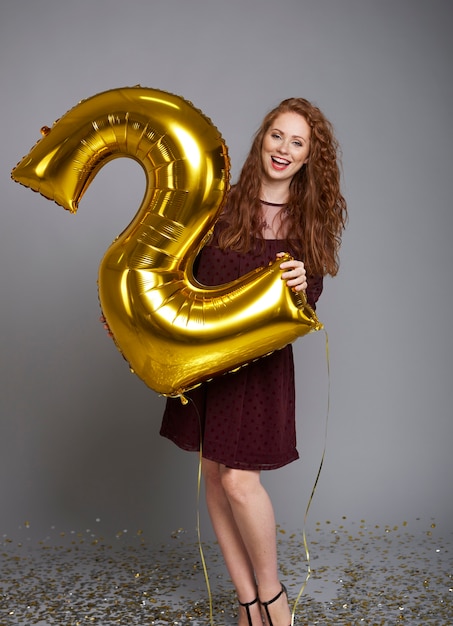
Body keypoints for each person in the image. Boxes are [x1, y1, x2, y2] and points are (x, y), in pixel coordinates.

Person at [160, 97, 347, 626]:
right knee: (215, 478)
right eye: (276, 136)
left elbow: (309, 300)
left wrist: (301, 285)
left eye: (297, 142)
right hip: (207, 362)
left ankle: (273, 601)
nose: (283, 149)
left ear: (310, 156)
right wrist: (135, 319)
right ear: (261, 139)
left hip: (260, 369)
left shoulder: (310, 218)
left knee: (241, 481)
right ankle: (247, 604)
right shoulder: (220, 202)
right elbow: (176, 273)